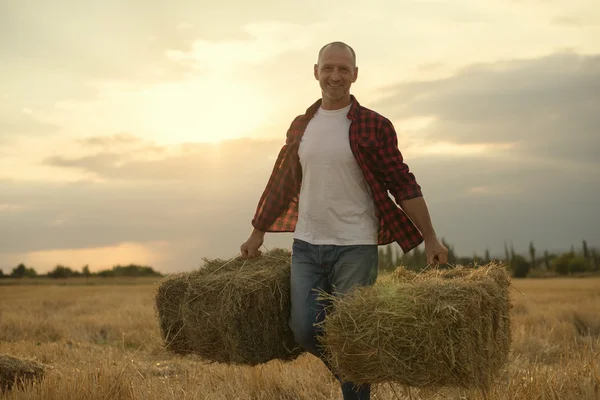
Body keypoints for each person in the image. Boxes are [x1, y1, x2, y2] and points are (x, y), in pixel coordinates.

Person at [240, 41, 449, 400]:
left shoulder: (375, 125)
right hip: (306, 245)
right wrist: (257, 231)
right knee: (304, 329)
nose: (335, 76)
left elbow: (402, 182)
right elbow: (283, 181)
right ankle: (359, 368)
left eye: (343, 69)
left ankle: (356, 380)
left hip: (355, 246)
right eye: (328, 68)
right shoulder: (301, 125)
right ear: (316, 71)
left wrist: (430, 236)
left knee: (351, 332)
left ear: (355, 74)